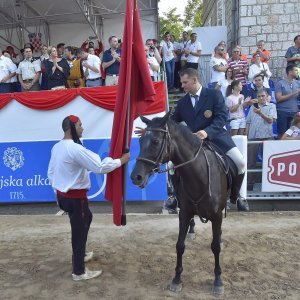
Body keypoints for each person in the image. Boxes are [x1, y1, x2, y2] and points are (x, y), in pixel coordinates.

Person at [48, 115, 130, 281]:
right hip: (76, 199)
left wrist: (57, 193)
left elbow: (51, 172)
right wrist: (121, 160)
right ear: (72, 128)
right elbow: (100, 166)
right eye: (80, 125)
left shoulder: (57, 147)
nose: (82, 128)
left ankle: (81, 254)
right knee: (79, 233)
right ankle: (79, 271)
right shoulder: (75, 149)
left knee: (87, 219)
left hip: (64, 197)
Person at [171, 68, 249, 211]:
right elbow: (172, 121)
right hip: (193, 141)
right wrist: (152, 128)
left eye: (185, 82)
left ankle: (236, 196)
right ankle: (175, 197)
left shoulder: (214, 94)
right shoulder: (182, 103)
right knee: (171, 167)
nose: (182, 86)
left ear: (195, 80)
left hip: (217, 136)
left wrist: (207, 132)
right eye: (181, 83)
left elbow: (221, 117)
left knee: (240, 162)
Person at [246, 89, 277, 190]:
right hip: (253, 137)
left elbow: (270, 120)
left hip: (267, 137)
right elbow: (248, 122)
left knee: (269, 162)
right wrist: (246, 136)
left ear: (267, 96)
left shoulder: (272, 106)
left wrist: (260, 114)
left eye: (263, 96)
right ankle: (250, 183)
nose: (260, 98)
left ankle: (269, 183)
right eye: (259, 96)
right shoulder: (252, 107)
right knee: (251, 162)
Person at [275, 65, 300, 138]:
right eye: (295, 70)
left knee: (294, 134)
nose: (297, 72)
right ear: (290, 72)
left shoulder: (298, 83)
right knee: (282, 134)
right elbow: (278, 98)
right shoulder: (280, 83)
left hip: (295, 112)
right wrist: (294, 93)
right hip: (283, 112)